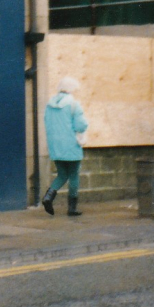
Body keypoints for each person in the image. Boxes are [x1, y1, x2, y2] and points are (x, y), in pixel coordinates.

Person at [42, 76, 88, 217]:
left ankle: (48, 197)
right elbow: (81, 125)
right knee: (73, 175)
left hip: (55, 146)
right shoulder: (74, 104)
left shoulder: (49, 105)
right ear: (71, 89)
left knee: (62, 174)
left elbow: (46, 123)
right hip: (71, 145)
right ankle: (72, 208)